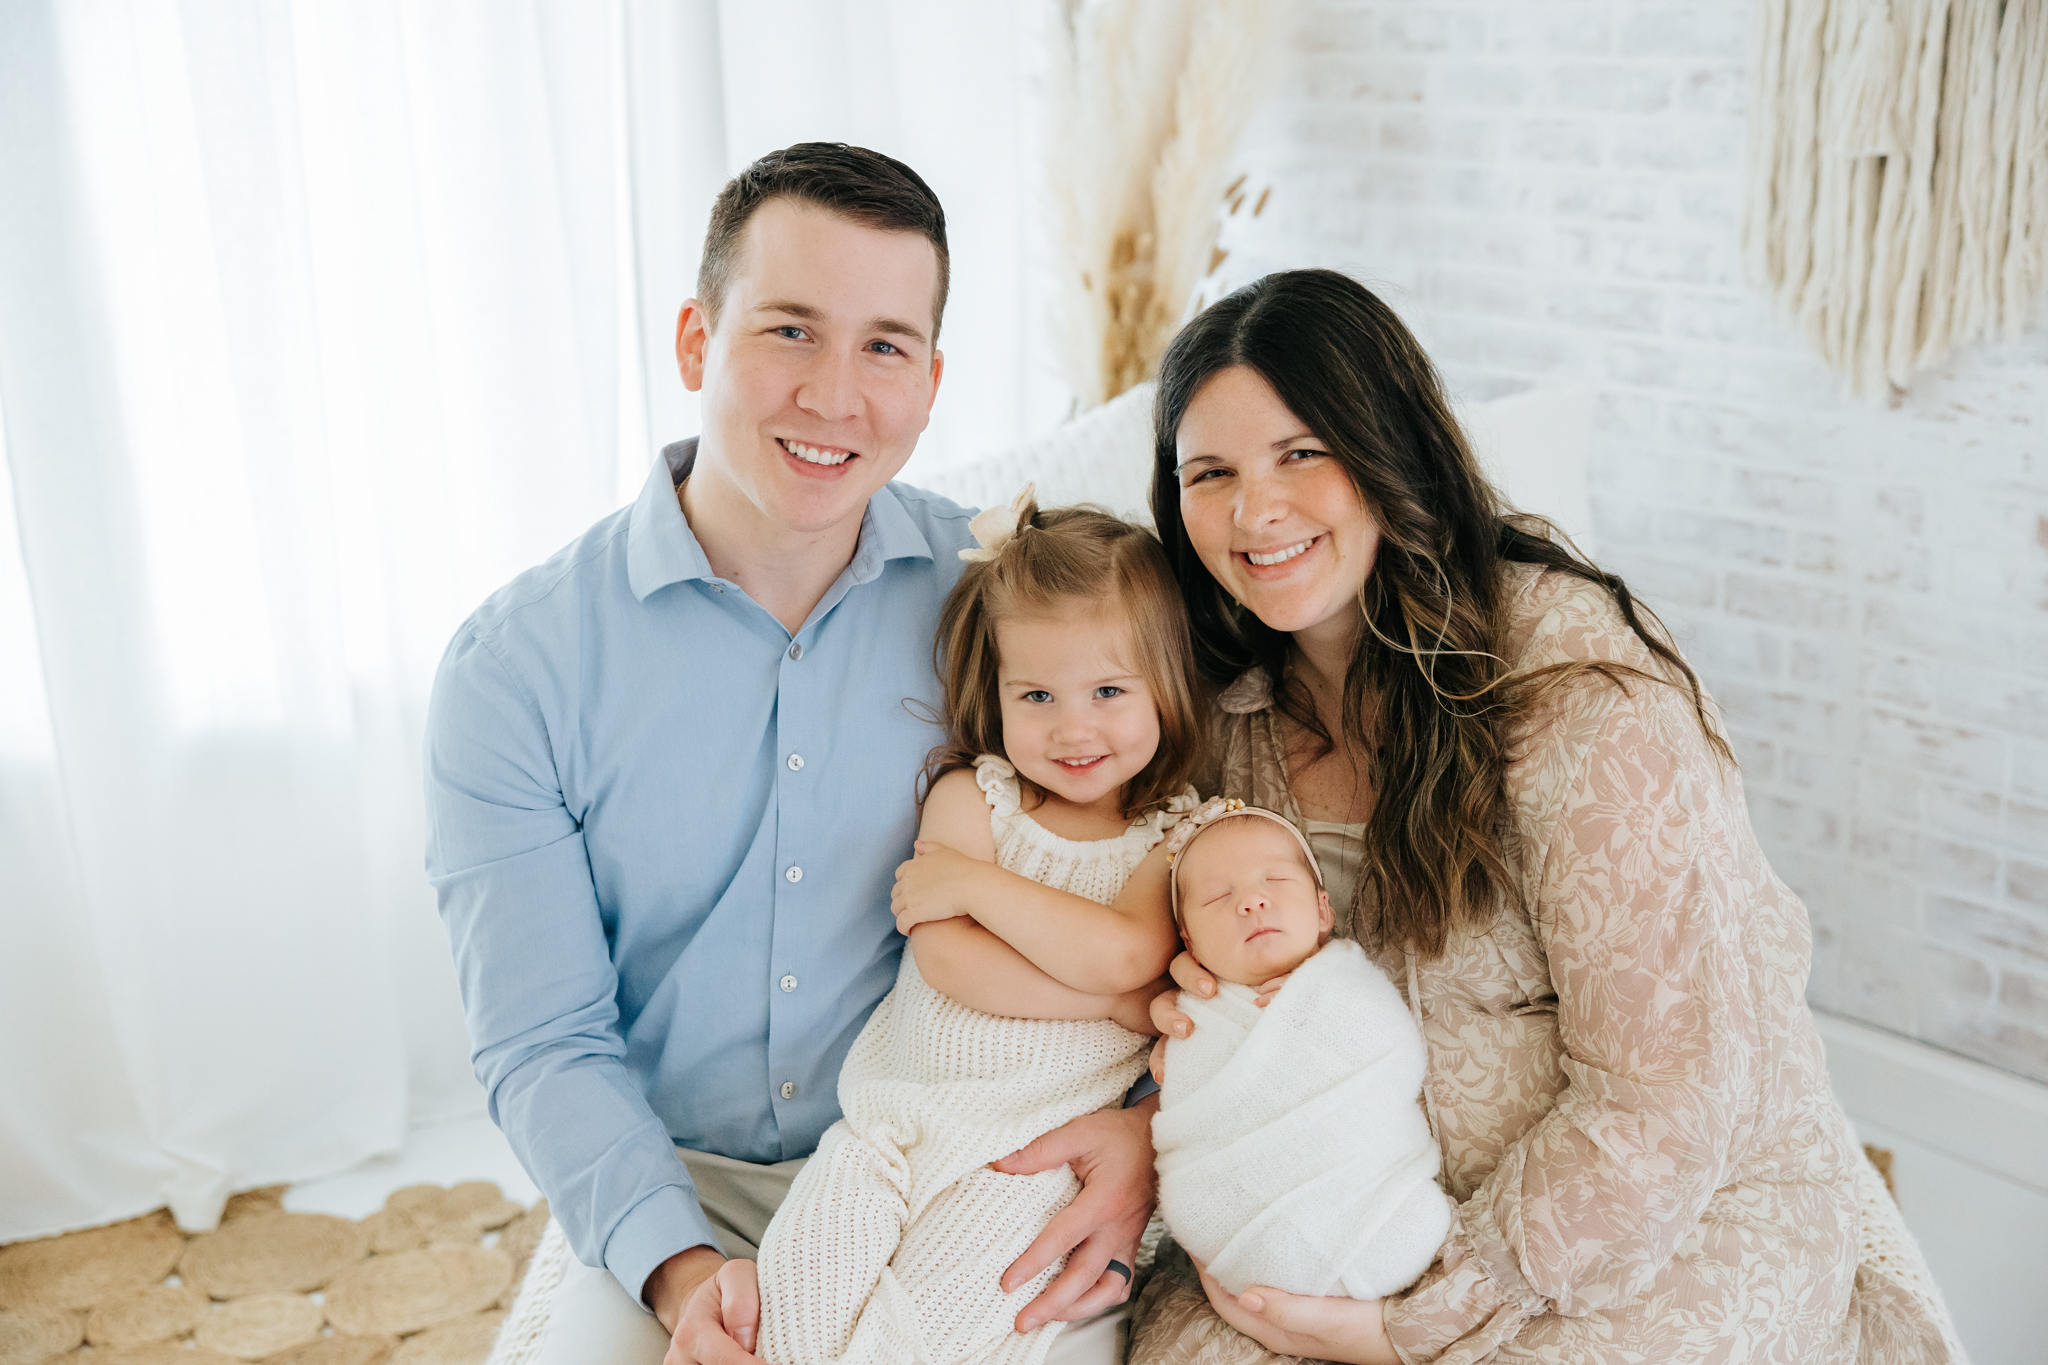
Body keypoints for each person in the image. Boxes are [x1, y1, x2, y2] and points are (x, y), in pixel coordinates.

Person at [1126, 269, 1964, 1365]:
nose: (1252, 511)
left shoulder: (1575, 697)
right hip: (1362, 1202)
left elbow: (1665, 1099)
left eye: (1300, 453)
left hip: (1658, 1223)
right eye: (1209, 473)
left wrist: (1410, 1327)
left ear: (1389, 454)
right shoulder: (1218, 702)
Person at [424, 144, 1158, 1365]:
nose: (834, 397)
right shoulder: (516, 669)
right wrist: (676, 1269)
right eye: (788, 331)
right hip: (677, 1188)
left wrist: (1141, 1126)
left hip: (969, 1161)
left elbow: (1164, 865)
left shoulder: (1007, 609)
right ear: (694, 343)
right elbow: (542, 1040)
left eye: (882, 346)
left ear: (930, 382)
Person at [754, 497, 1199, 1365]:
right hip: (887, 1129)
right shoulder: (976, 795)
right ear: (993, 692)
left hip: (1023, 1162)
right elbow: (950, 960)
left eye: (1109, 691)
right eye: (1036, 693)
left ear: (1168, 684)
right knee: (796, 1297)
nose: (1073, 727)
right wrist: (1113, 1002)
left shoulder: (1170, 836)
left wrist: (976, 884)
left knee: (932, 1334)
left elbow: (1128, 950)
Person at [1148, 800, 1449, 1306]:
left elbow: (1396, 1058)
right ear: (1190, 945)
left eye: (1277, 882)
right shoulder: (1195, 1017)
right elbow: (1191, 1124)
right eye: (1220, 897)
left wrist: (1320, 999)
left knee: (1411, 1226)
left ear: (1324, 910)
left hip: (1376, 1207)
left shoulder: (1350, 986)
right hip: (1243, 1240)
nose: (1251, 902)